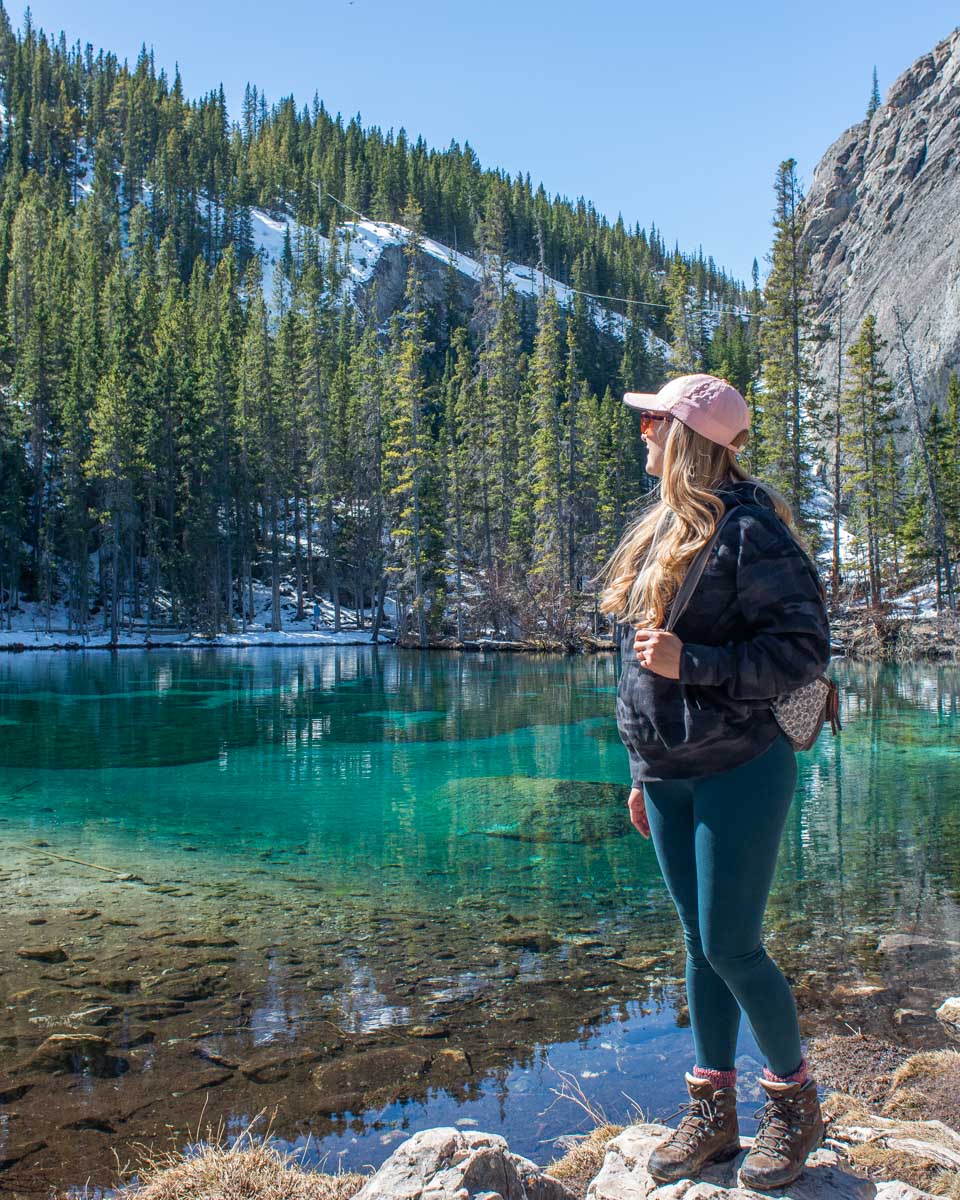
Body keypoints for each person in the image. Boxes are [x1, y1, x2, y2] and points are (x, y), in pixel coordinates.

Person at [596, 373, 832, 1191]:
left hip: (740, 766)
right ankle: (713, 1115)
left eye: (654, 421)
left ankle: (796, 1104)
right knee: (699, 946)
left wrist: (692, 661)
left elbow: (803, 654)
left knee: (733, 944)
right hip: (669, 774)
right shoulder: (665, 528)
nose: (643, 434)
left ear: (689, 437)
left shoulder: (751, 534)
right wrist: (639, 768)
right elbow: (635, 675)